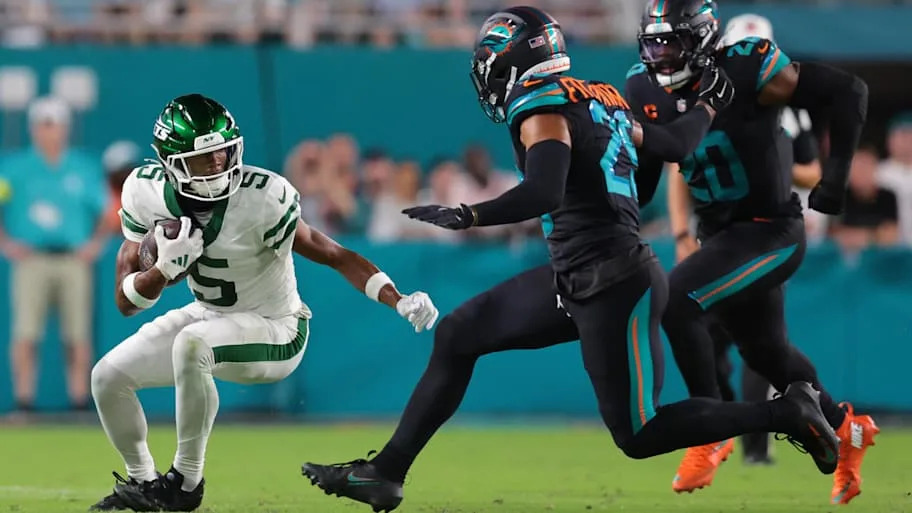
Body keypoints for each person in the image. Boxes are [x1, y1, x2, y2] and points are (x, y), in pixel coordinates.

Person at [301, 7, 838, 513]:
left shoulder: (539, 105)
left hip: (613, 280)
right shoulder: (600, 96)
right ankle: (386, 472)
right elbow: (674, 145)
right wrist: (707, 106)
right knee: (459, 334)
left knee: (640, 433)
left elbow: (543, 192)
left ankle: (787, 411)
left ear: (511, 62)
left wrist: (468, 214)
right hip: (581, 273)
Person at [89, 94, 439, 512]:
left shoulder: (264, 197)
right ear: (171, 162)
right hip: (210, 314)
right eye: (204, 160)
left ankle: (183, 484)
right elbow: (126, 302)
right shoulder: (145, 192)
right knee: (107, 377)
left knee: (193, 344)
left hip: (277, 326)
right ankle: (144, 484)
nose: (218, 166)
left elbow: (334, 254)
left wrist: (397, 299)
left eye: (223, 153)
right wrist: (161, 272)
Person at [624, 0, 877, 503]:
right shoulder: (642, 85)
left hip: (770, 231)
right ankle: (849, 430)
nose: (659, 55)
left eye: (670, 42)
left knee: (676, 301)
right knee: (767, 354)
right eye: (651, 43)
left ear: (698, 38)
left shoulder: (746, 63)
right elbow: (649, 173)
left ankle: (711, 426)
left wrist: (836, 176)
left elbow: (850, 90)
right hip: (719, 237)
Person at [0, 96, 109, 413]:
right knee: (26, 332)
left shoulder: (81, 167)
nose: (49, 131)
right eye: (43, 125)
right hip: (31, 259)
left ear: (64, 128)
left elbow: (106, 211)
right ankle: (24, 399)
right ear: (33, 129)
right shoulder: (16, 167)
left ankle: (78, 399)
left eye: (55, 125)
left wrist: (95, 244)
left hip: (72, 259)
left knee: (76, 333)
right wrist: (5, 243)